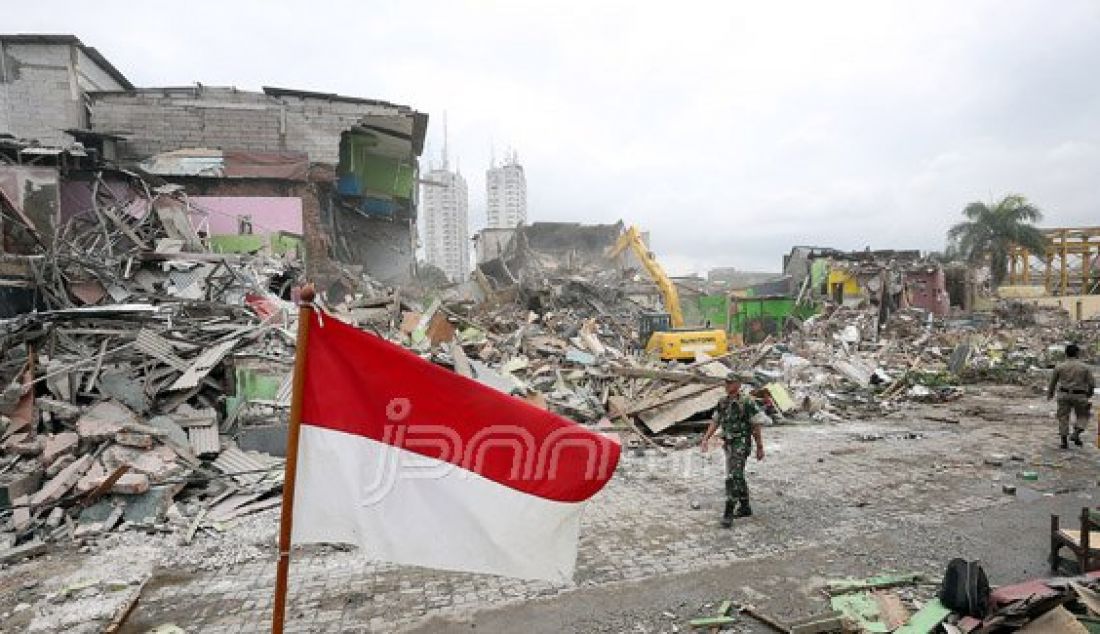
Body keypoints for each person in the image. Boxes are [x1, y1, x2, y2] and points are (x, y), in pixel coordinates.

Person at [700, 371, 768, 528]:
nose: (727, 385)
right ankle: (745, 507)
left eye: (730, 383)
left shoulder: (747, 402)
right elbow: (715, 421)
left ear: (738, 384)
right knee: (738, 475)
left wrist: (760, 448)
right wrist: (706, 438)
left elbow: (756, 426)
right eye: (726, 382)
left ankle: (728, 513)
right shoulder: (722, 402)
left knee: (732, 477)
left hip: (741, 443)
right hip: (729, 444)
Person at [1047, 343, 1096, 449]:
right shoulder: (1085, 367)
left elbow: (1053, 383)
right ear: (1077, 353)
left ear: (1066, 354)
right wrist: (1089, 393)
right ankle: (1076, 432)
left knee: (1063, 417)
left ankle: (1064, 441)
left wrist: (1050, 394)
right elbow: (1092, 384)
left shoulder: (1059, 366)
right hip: (1080, 395)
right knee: (1083, 415)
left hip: (1063, 394)